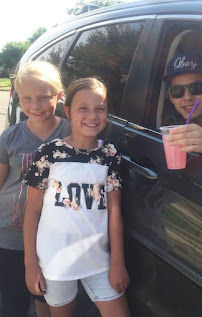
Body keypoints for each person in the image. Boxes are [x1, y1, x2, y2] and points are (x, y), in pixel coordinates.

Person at [23, 77, 130, 317]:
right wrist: (31, 265)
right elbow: (32, 211)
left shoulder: (109, 154)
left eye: (100, 109)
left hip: (98, 259)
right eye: (83, 108)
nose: (92, 116)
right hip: (55, 260)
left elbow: (114, 212)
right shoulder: (49, 153)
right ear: (68, 111)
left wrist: (117, 262)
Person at [0, 61, 71, 317]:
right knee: (14, 302)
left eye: (44, 97)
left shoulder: (72, 133)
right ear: (19, 98)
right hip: (10, 233)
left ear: (59, 96)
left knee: (45, 296)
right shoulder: (10, 137)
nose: (35, 106)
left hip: (52, 235)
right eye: (27, 98)